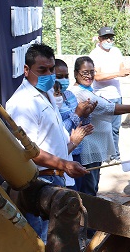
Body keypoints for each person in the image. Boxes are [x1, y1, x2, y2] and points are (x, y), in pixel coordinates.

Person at [6, 44, 91, 240]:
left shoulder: (47, 94)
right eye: (42, 70)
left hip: (56, 180)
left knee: (57, 240)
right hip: (39, 184)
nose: (49, 75)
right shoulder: (22, 103)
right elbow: (26, 152)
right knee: (43, 242)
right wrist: (64, 164)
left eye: (51, 69)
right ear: (26, 70)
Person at [71, 56, 130, 196]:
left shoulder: (89, 90)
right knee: (88, 189)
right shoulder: (80, 93)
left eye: (92, 72)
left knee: (93, 185)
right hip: (87, 150)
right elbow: (108, 107)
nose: (89, 75)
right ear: (75, 73)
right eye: (85, 72)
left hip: (95, 148)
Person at [53, 59, 97, 192]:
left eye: (66, 76)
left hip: (77, 151)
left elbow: (81, 124)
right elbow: (60, 132)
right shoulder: (52, 99)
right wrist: (77, 114)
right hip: (62, 152)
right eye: (59, 77)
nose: (64, 80)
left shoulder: (70, 95)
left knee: (81, 190)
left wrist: (86, 114)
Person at [90, 26, 130, 160]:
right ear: (100, 39)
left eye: (111, 38)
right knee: (102, 128)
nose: (109, 40)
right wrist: (119, 73)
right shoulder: (94, 54)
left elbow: (121, 67)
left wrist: (125, 70)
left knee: (115, 128)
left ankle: (115, 155)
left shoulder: (116, 51)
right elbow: (98, 76)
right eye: (106, 38)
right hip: (102, 96)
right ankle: (102, 154)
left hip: (116, 95)